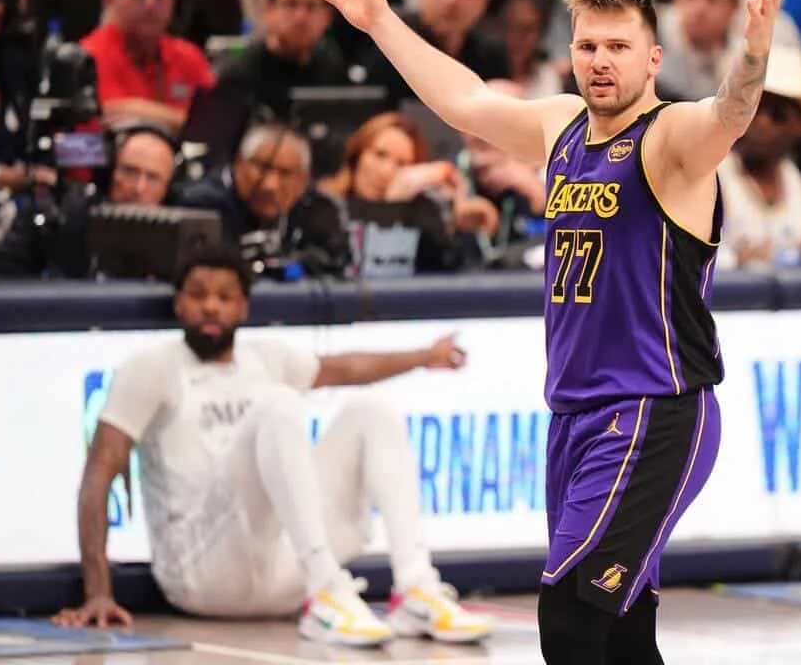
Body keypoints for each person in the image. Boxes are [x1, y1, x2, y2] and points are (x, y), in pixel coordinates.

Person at [314, 0, 791, 664]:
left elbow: (728, 113)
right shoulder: (562, 125)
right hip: (574, 416)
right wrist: (380, 20)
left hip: (652, 409)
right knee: (621, 637)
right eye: (588, 46)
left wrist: (752, 54)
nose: (601, 60)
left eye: (619, 47)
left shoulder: (670, 139)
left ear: (652, 59)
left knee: (569, 617)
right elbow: (466, 100)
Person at [52, 243, 492, 646]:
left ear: (243, 306)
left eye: (224, 297)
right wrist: (98, 591)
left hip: (281, 573)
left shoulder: (266, 358)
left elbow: (347, 368)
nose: (210, 306)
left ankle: (414, 587)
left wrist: (423, 357)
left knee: (371, 411)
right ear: (179, 303)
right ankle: (325, 590)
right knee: (278, 404)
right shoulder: (150, 369)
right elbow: (99, 473)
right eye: (198, 295)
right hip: (203, 577)